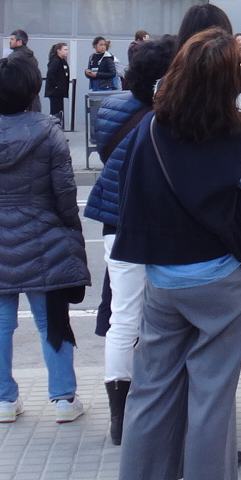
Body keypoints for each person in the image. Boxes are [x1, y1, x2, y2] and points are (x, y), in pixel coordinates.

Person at [109, 29, 241, 480]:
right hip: (219, 278)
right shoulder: (235, 137)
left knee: (150, 386)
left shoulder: (152, 128)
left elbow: (129, 189)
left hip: (162, 279)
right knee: (211, 391)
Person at [0, 55, 89, 426]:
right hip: (43, 238)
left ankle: (5, 401)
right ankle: (63, 399)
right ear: (33, 91)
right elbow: (65, 193)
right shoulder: (49, 131)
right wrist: (71, 231)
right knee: (50, 321)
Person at [85, 36, 180, 445]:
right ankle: (168, 412)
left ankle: (120, 418)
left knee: (123, 319)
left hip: (118, 222)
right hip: (165, 225)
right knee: (174, 321)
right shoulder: (174, 118)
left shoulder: (110, 110)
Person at [45, 42, 72, 124]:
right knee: (55, 112)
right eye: (65, 50)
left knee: (59, 111)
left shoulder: (62, 61)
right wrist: (56, 86)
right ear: (58, 51)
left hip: (59, 92)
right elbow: (50, 74)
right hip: (55, 92)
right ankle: (54, 128)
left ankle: (58, 127)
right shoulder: (55, 61)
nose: (67, 51)